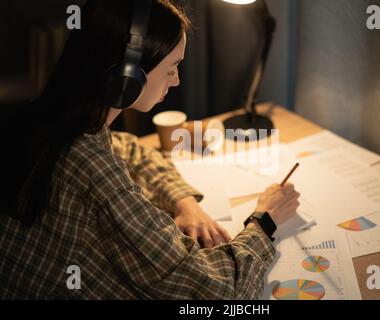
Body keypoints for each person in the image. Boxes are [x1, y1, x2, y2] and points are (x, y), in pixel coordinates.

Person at [0, 0, 300, 299]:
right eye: (172, 67)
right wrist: (265, 218)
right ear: (128, 77)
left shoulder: (46, 122)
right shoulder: (92, 169)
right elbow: (221, 292)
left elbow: (132, 150)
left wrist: (183, 201)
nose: (177, 80)